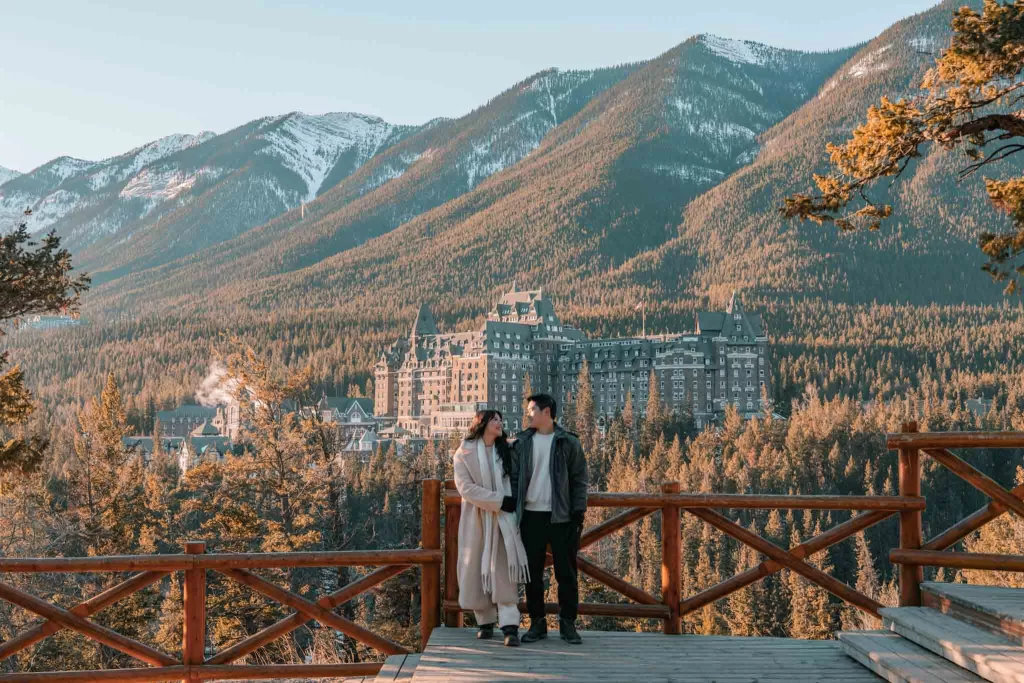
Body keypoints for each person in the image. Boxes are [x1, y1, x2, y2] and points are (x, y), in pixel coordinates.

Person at [510, 393, 588, 645]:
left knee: (566, 573)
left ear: (546, 412)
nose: (528, 414)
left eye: (531, 409)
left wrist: (578, 513)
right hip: (530, 517)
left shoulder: (568, 442)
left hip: (562, 517)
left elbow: (579, 480)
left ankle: (567, 624)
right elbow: (513, 478)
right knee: (532, 574)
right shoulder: (521, 443)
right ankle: (537, 624)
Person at [452, 409, 530, 647]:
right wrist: (498, 501)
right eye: (495, 419)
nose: (500, 423)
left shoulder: (507, 449)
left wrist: (510, 501)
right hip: (476, 519)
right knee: (476, 568)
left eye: (501, 420)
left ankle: (510, 626)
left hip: (503, 521)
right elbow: (466, 488)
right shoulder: (463, 452)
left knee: (504, 571)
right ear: (482, 423)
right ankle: (484, 622)